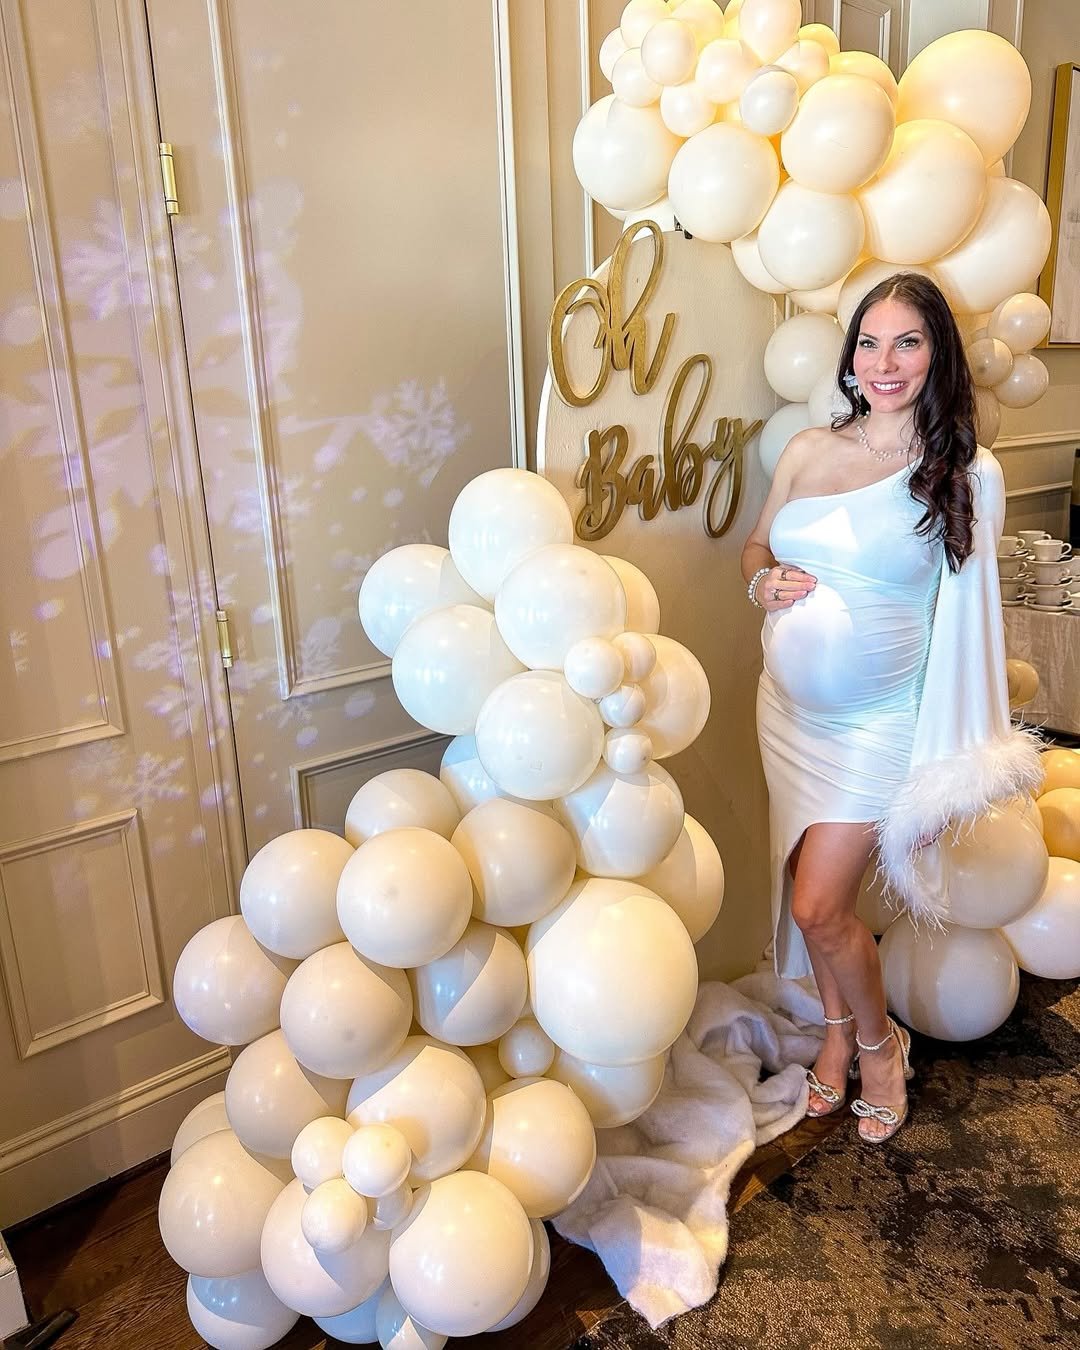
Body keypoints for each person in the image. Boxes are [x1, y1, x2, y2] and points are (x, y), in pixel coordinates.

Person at [740, 273, 1042, 1143]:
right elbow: (757, 545)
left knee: (817, 907)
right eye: (869, 342)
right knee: (807, 890)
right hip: (787, 716)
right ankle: (835, 1036)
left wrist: (956, 751)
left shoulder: (966, 472)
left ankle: (879, 1047)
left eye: (907, 342)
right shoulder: (808, 449)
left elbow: (971, 619)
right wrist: (762, 580)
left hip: (878, 724)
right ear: (850, 358)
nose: (885, 362)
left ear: (936, 355)